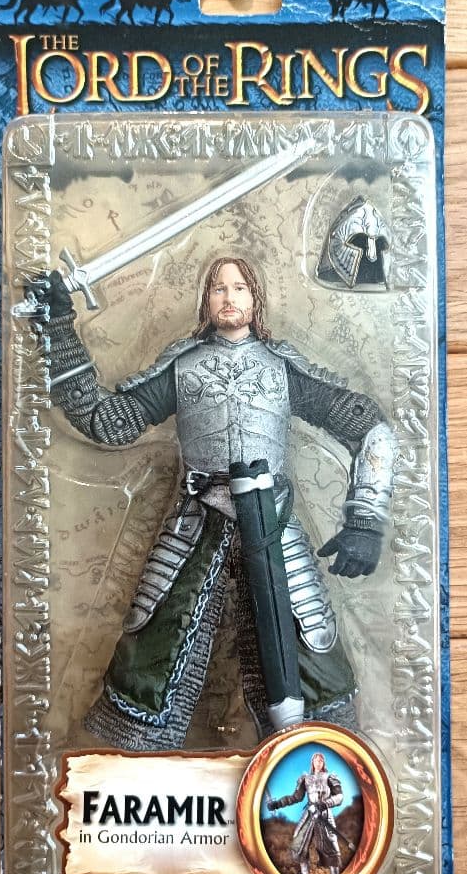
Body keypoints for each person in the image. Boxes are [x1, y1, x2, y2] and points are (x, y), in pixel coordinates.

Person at [37, 255, 396, 750]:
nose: (229, 298)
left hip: (272, 525)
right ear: (205, 299)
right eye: (219, 289)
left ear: (256, 298)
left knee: (311, 660)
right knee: (149, 663)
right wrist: (58, 328)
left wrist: (365, 520)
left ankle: (319, 761)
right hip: (194, 522)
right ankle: (131, 761)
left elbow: (373, 429)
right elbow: (109, 422)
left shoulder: (282, 369)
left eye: (240, 288)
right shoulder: (183, 367)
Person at [268, 752, 344, 874]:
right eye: (316, 760)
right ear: (312, 762)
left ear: (323, 763)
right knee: (299, 841)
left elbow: (339, 797)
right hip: (310, 813)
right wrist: (277, 804)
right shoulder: (306, 779)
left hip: (324, 813)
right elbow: (295, 797)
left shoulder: (330, 777)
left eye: (321, 760)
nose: (318, 762)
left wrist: (326, 803)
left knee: (330, 843)